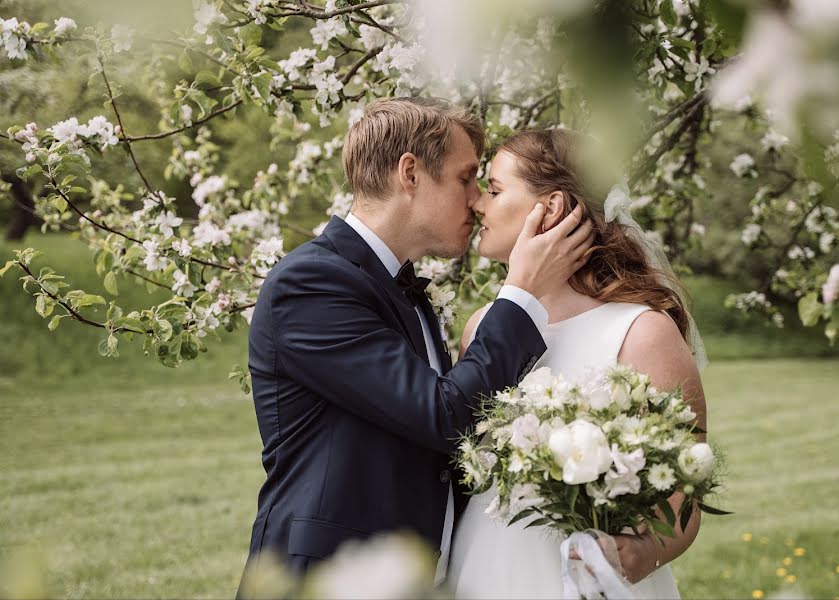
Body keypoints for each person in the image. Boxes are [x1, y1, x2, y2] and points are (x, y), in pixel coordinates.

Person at [237, 98, 593, 595]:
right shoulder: (312, 282)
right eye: (465, 178)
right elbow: (444, 416)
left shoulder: (400, 287)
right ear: (410, 173)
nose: (475, 199)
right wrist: (522, 293)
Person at [446, 128, 708, 599]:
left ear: (550, 208)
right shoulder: (480, 327)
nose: (478, 204)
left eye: (495, 189)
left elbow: (683, 495)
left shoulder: (641, 332)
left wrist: (644, 552)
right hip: (482, 571)